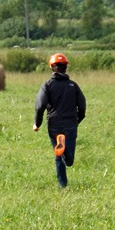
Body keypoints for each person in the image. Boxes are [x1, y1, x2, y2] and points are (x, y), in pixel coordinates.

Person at [33, 53, 86, 188]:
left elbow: (40, 106)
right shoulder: (73, 85)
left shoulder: (47, 85)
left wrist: (37, 123)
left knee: (58, 156)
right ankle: (63, 149)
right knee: (69, 160)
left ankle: (63, 186)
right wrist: (76, 121)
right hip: (70, 124)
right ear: (65, 68)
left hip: (54, 124)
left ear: (52, 68)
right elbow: (83, 106)